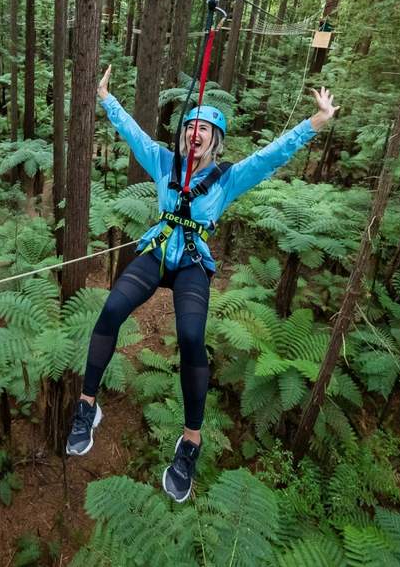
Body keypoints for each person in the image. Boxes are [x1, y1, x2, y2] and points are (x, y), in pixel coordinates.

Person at [67, 64, 338, 502]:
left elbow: (271, 155)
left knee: (192, 337)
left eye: (204, 129)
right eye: (189, 126)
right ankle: (87, 405)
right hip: (156, 253)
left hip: (192, 261)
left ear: (216, 139)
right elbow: (133, 133)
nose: (194, 134)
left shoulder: (228, 177)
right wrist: (105, 99)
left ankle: (190, 440)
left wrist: (316, 122)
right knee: (112, 308)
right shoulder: (162, 161)